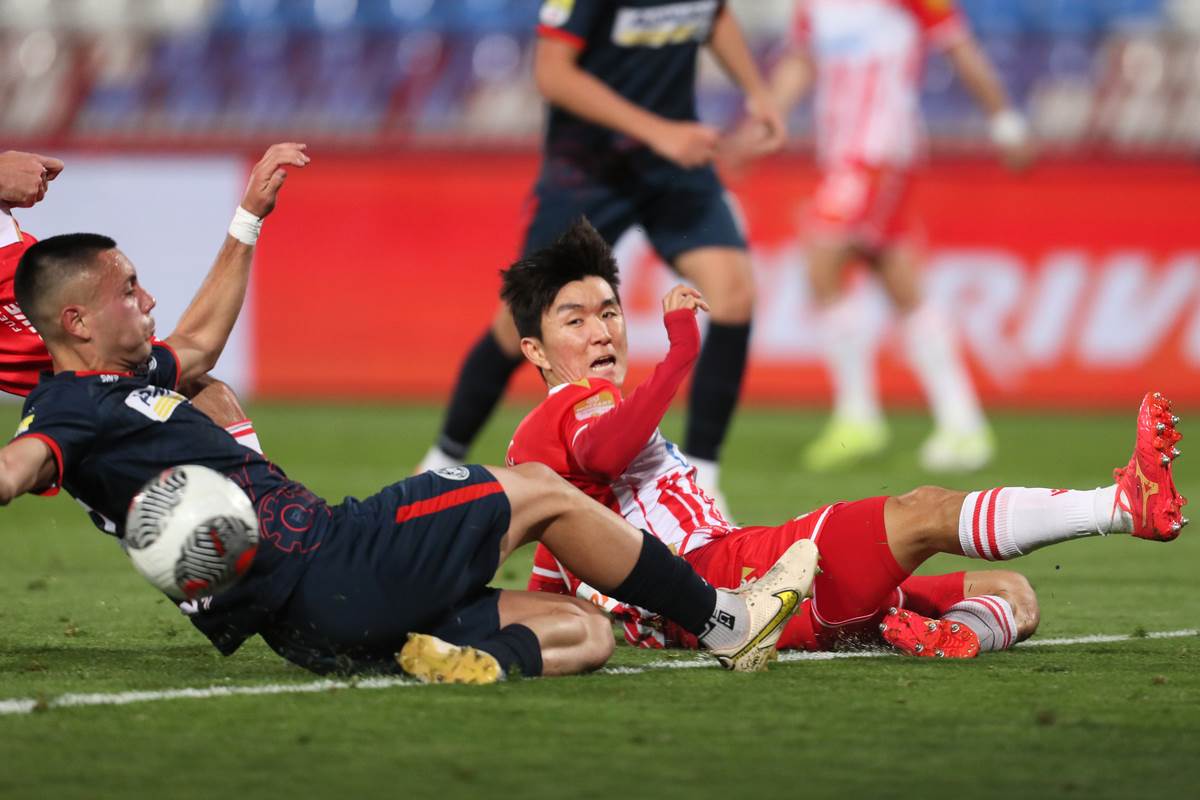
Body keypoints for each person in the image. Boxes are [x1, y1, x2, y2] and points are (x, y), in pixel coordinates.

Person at [0, 145, 818, 684]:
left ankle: (449, 660)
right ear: (76, 322)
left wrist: (249, 216)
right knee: (536, 484)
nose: (147, 299)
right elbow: (18, 465)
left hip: (319, 629)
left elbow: (203, 342)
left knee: (584, 632)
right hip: (335, 560)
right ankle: (726, 620)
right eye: (129, 289)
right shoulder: (70, 407)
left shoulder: (129, 383)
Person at [502, 220, 1187, 658]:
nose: (602, 331)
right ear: (534, 350)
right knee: (921, 512)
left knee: (1011, 591)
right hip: (727, 579)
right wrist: (681, 349)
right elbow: (605, 452)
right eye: (576, 320)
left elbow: (552, 572)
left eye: (610, 312)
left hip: (741, 588)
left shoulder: (545, 448)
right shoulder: (575, 409)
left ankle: (959, 638)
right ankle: (1120, 506)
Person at [417, 0, 788, 515]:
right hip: (589, 170)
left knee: (734, 294)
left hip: (674, 164)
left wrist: (758, 92)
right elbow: (552, 73)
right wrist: (657, 131)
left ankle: (702, 475)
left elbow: (713, 15)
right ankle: (441, 462)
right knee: (515, 325)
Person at [738, 0, 1034, 472]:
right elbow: (800, 61)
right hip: (841, 153)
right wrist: (759, 127)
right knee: (895, 276)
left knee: (822, 257)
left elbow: (959, 47)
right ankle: (962, 423)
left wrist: (1005, 122)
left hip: (880, 149)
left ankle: (859, 417)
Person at [0, 150, 262, 451]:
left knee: (179, 381)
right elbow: (198, 347)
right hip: (13, 279)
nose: (149, 301)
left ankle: (263, 491)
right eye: (128, 292)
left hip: (15, 265)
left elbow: (195, 351)